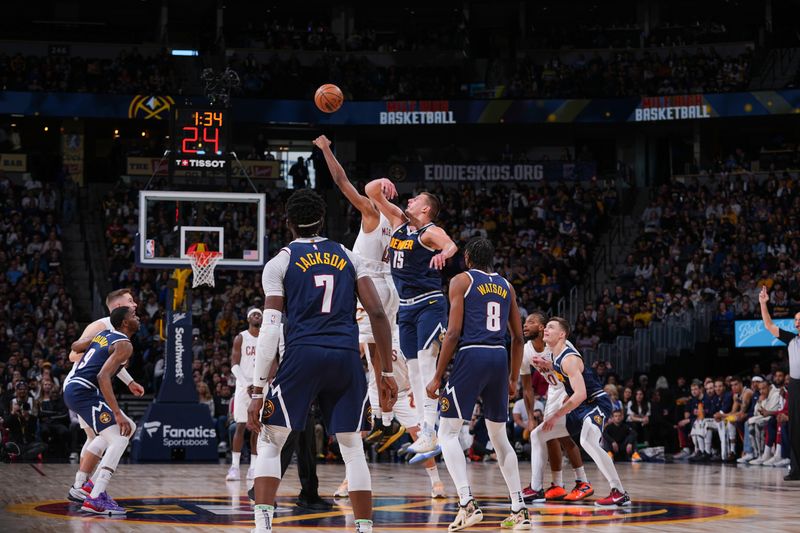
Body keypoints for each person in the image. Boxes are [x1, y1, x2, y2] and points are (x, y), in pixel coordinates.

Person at [246, 189, 398, 533]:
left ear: (288, 224)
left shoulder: (280, 262)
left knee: (271, 441)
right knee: (352, 447)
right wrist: (386, 372)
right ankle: (364, 528)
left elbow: (270, 329)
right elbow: (376, 312)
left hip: (303, 354)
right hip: (345, 357)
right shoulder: (348, 255)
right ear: (323, 220)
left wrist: (257, 390)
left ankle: (262, 526)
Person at [312, 135, 444, 496]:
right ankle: (436, 482)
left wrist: (325, 149)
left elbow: (343, 183)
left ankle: (374, 384)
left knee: (359, 367)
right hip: (396, 294)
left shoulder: (373, 214)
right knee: (401, 386)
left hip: (370, 284)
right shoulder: (405, 222)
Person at [426, 238, 531, 531]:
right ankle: (519, 509)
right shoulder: (507, 286)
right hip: (499, 358)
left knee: (446, 433)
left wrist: (437, 376)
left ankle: (467, 503)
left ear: (468, 258)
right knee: (500, 438)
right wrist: (512, 377)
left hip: (472, 355)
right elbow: (519, 337)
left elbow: (454, 331)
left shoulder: (460, 280)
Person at [365, 177, 458, 458]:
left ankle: (431, 429)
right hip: (405, 307)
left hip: (429, 304)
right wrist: (381, 182)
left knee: (427, 365)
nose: (409, 201)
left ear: (426, 209)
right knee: (414, 369)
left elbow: (451, 245)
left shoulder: (430, 232)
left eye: (415, 200)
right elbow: (370, 192)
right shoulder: (398, 221)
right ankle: (425, 427)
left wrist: (445, 254)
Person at [539, 317, 631, 507]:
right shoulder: (554, 356)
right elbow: (570, 384)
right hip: (581, 407)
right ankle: (542, 486)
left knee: (587, 440)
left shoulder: (568, 358)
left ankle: (619, 491)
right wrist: (548, 367)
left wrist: (557, 413)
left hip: (596, 402)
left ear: (562, 334)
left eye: (551, 327)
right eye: (546, 326)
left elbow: (581, 394)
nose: (545, 329)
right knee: (539, 434)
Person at [65, 288, 145, 503]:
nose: (135, 307)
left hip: (82, 388)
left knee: (123, 429)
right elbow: (75, 353)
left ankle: (83, 484)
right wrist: (117, 413)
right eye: (131, 304)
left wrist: (129, 382)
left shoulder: (107, 334)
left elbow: (83, 348)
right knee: (114, 436)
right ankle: (92, 492)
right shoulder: (102, 327)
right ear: (121, 313)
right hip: (83, 388)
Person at [521, 312, 593, 503]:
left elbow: (577, 370)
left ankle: (580, 481)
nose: (525, 325)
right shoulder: (526, 351)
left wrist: (570, 395)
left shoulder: (559, 344)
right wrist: (529, 416)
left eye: (531, 322)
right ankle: (557, 485)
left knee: (559, 435)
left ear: (542, 327)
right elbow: (527, 388)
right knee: (550, 437)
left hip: (567, 389)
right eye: (525, 322)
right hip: (553, 391)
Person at [759, 285, 800, 480]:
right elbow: (769, 326)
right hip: (795, 386)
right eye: (796, 321)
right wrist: (762, 303)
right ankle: (796, 469)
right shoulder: (791, 339)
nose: (798, 324)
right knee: (794, 428)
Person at [227, 308, 262, 481]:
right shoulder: (241, 337)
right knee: (240, 426)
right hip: (243, 386)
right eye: (254, 314)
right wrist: (248, 383)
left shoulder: (266, 338)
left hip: (261, 388)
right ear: (248, 318)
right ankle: (234, 467)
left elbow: (272, 362)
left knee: (257, 428)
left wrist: (260, 384)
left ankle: (253, 468)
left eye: (260, 314)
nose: (257, 316)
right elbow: (234, 364)